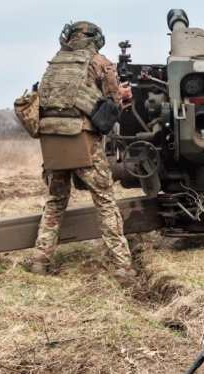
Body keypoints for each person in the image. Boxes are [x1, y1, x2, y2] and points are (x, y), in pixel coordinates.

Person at [31, 21, 135, 277]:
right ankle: (122, 266)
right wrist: (122, 96)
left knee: (55, 202)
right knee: (105, 202)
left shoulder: (55, 63)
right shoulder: (100, 62)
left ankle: (40, 263)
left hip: (52, 141)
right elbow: (112, 106)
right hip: (82, 139)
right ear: (95, 39)